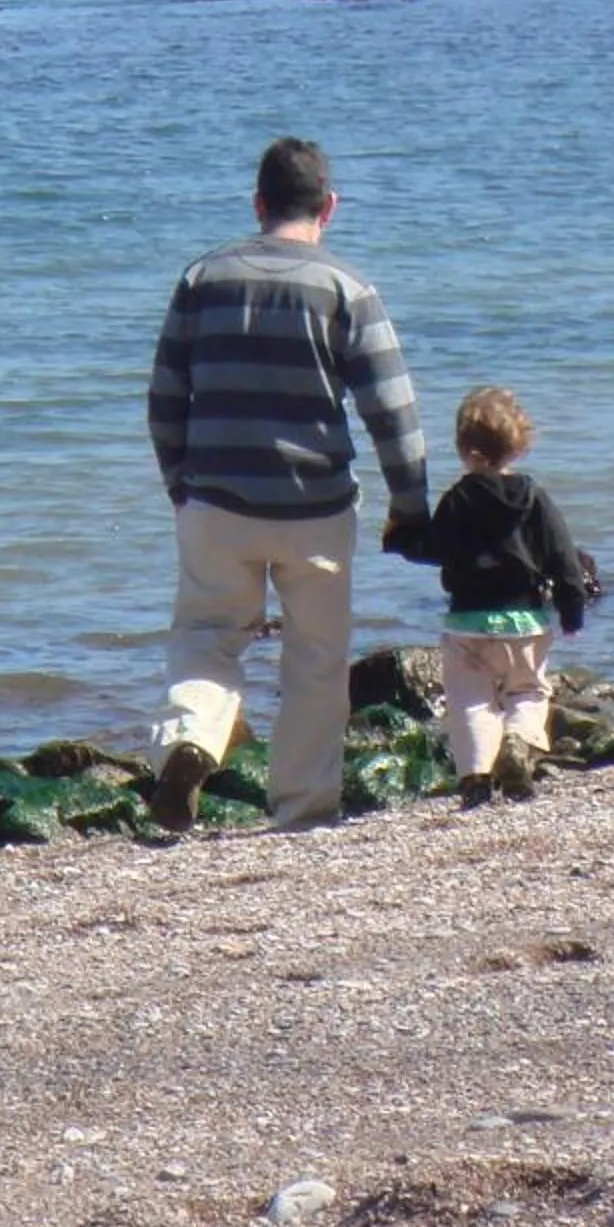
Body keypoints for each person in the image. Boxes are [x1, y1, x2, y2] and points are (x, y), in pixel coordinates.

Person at [146, 137, 428, 834]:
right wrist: (410, 505)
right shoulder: (346, 290)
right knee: (316, 658)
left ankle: (191, 738)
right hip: (316, 505)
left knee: (207, 637)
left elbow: (164, 397)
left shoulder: (200, 280)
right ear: (328, 207)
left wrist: (180, 480)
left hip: (215, 499)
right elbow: (392, 411)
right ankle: (302, 807)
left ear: (258, 204)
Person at [395, 385, 591, 808]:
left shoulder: (457, 499)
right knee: (528, 692)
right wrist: (571, 609)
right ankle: (518, 744)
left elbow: (434, 548)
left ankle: (475, 779)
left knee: (470, 703)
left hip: (467, 623)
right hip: (525, 621)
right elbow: (563, 557)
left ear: (464, 448)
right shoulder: (534, 498)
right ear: (519, 447)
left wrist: (401, 537)